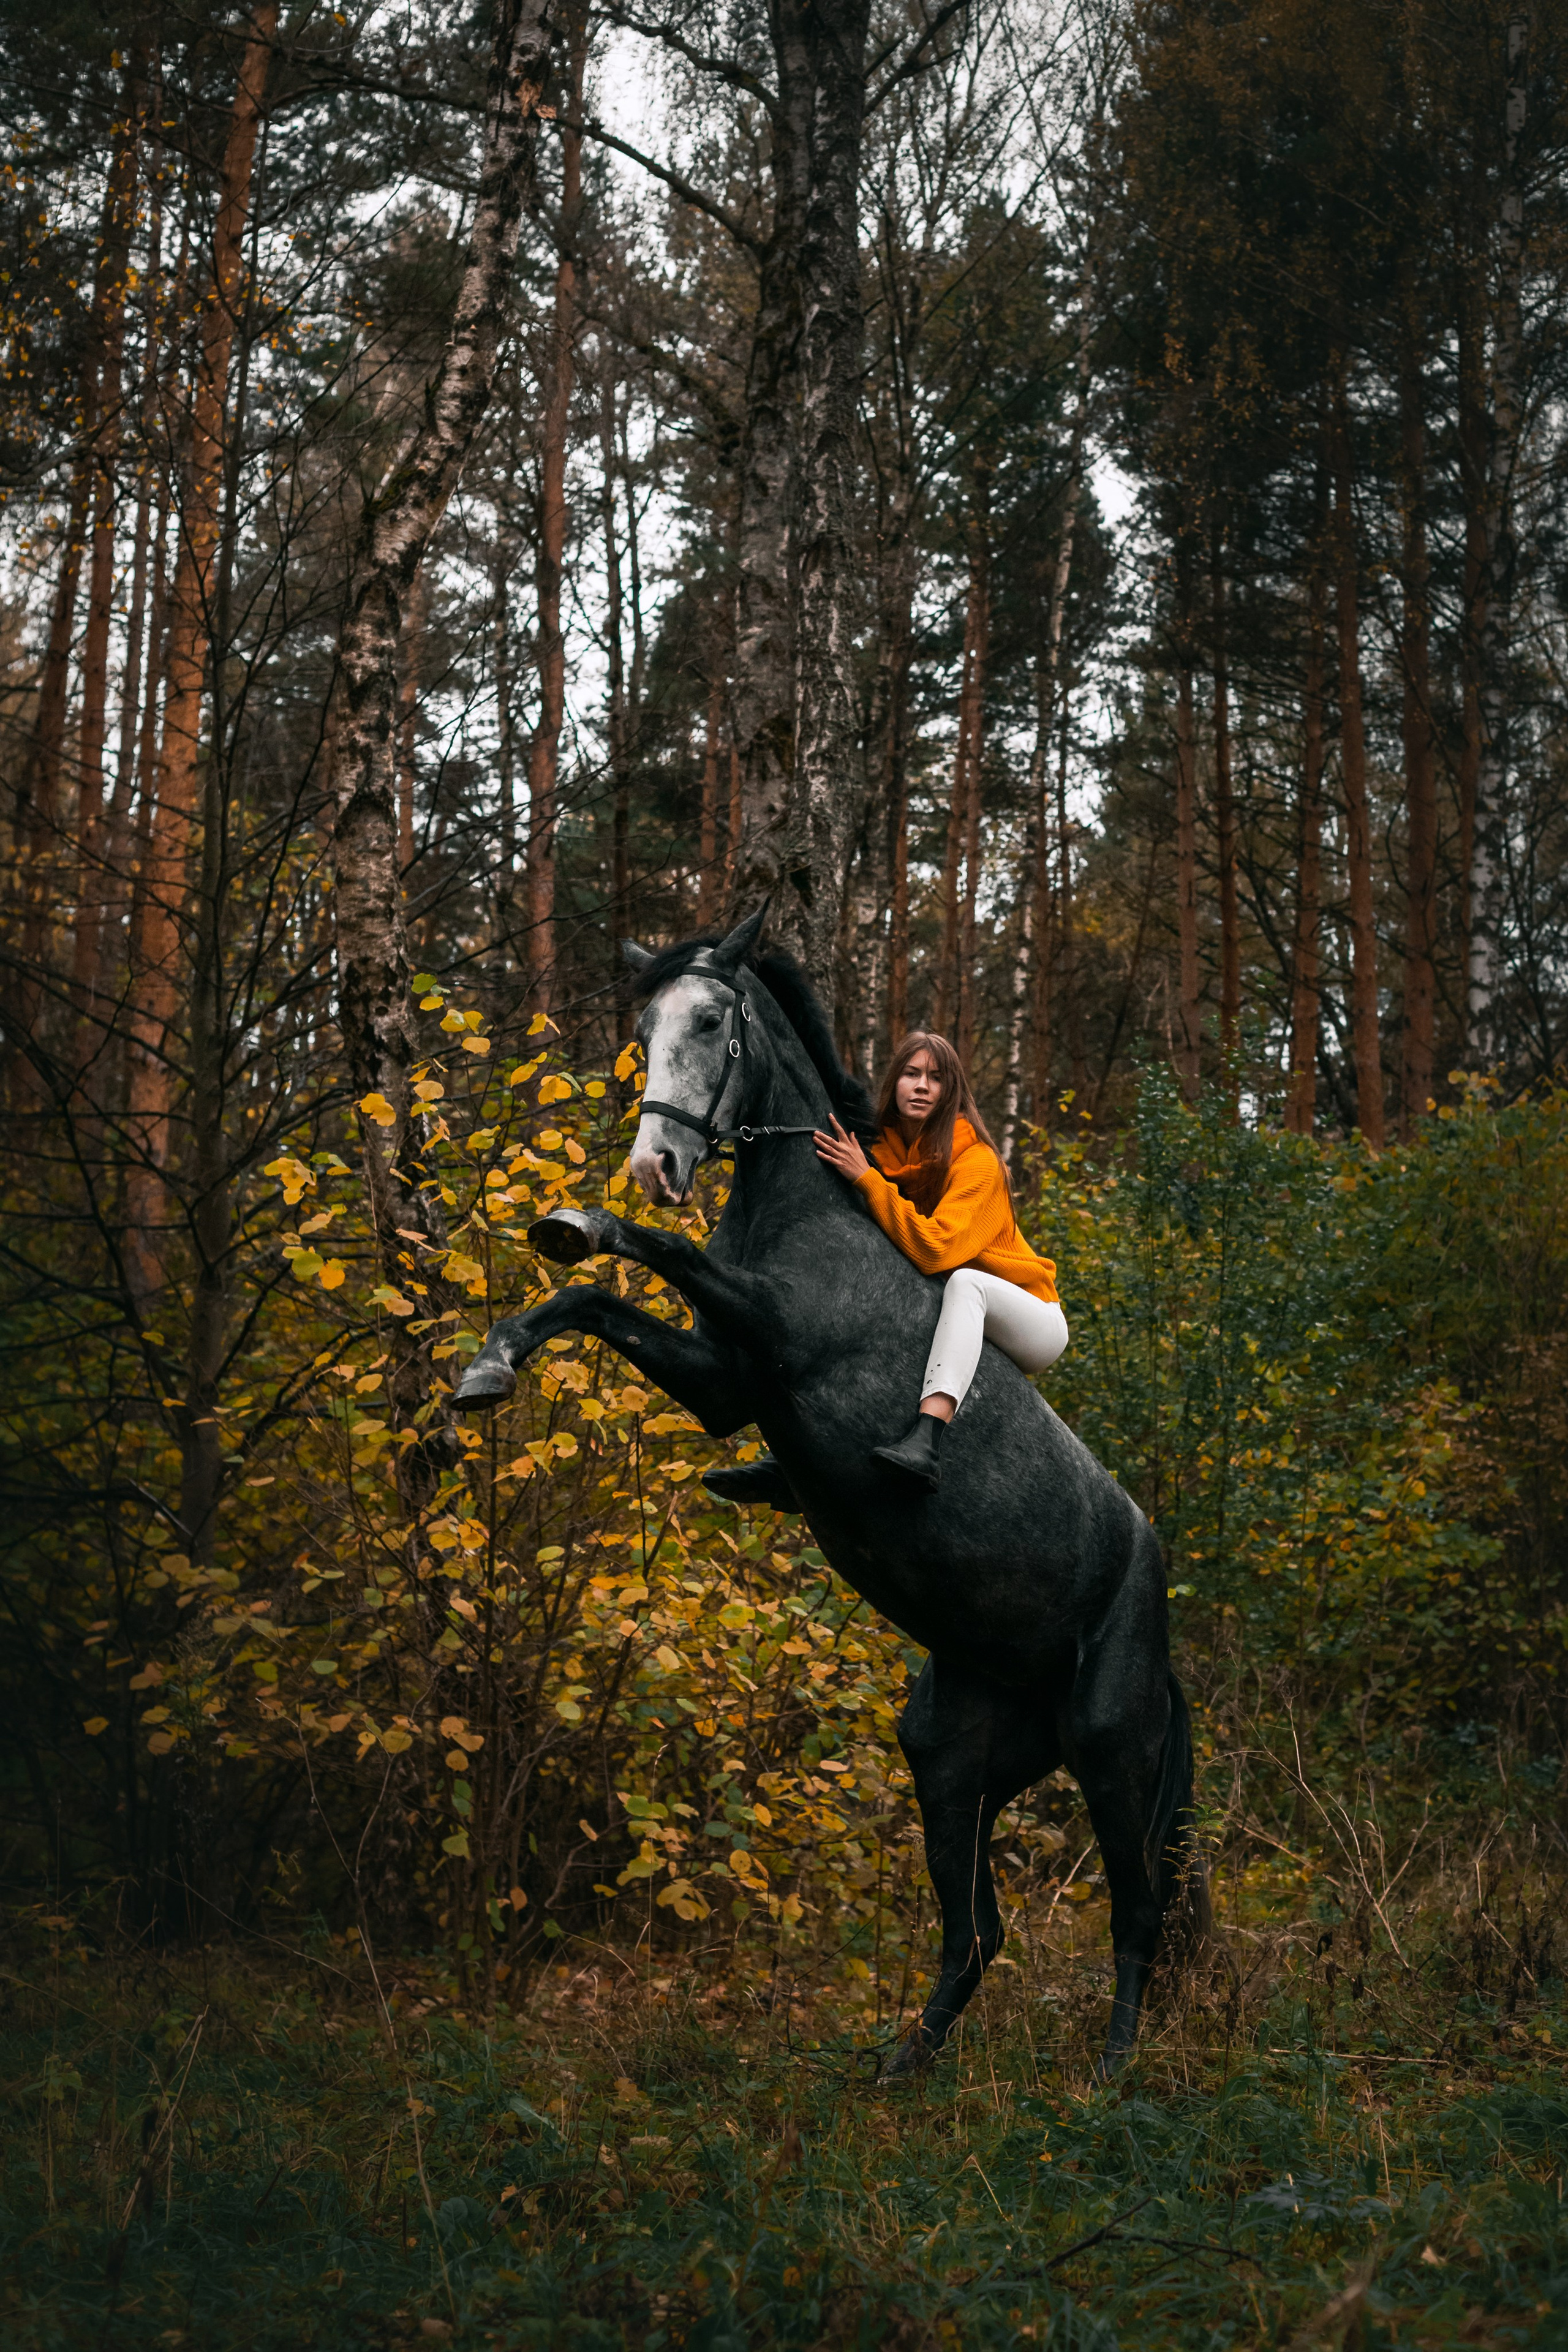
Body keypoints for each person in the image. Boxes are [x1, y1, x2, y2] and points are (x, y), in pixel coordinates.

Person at [704, 1032, 1066, 1504]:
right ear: (894, 1083)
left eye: (936, 1078)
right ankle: (801, 1458)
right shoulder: (885, 1158)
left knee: (966, 1282)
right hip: (953, 1308)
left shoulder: (979, 1163)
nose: (922, 1086)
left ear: (952, 1092)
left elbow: (934, 1251)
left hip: (1032, 1319)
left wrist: (868, 1180)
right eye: (912, 1074)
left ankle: (927, 1439)